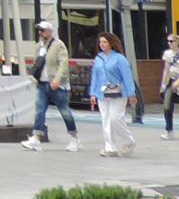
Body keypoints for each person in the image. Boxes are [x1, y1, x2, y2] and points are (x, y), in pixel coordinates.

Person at [20, 20, 79, 153]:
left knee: (64, 111)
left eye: (42, 30)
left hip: (58, 85)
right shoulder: (39, 46)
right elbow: (37, 63)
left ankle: (74, 137)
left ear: (50, 32)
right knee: (39, 111)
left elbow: (63, 64)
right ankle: (36, 138)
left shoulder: (59, 45)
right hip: (42, 84)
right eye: (39, 30)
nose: (40, 33)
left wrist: (57, 80)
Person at [89, 31, 138, 158]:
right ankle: (110, 147)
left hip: (118, 92)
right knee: (105, 119)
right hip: (102, 92)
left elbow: (127, 77)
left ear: (111, 43)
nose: (102, 44)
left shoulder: (119, 58)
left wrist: (131, 93)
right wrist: (93, 94)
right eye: (100, 42)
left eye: (105, 42)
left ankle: (128, 140)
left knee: (115, 117)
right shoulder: (98, 58)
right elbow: (95, 77)